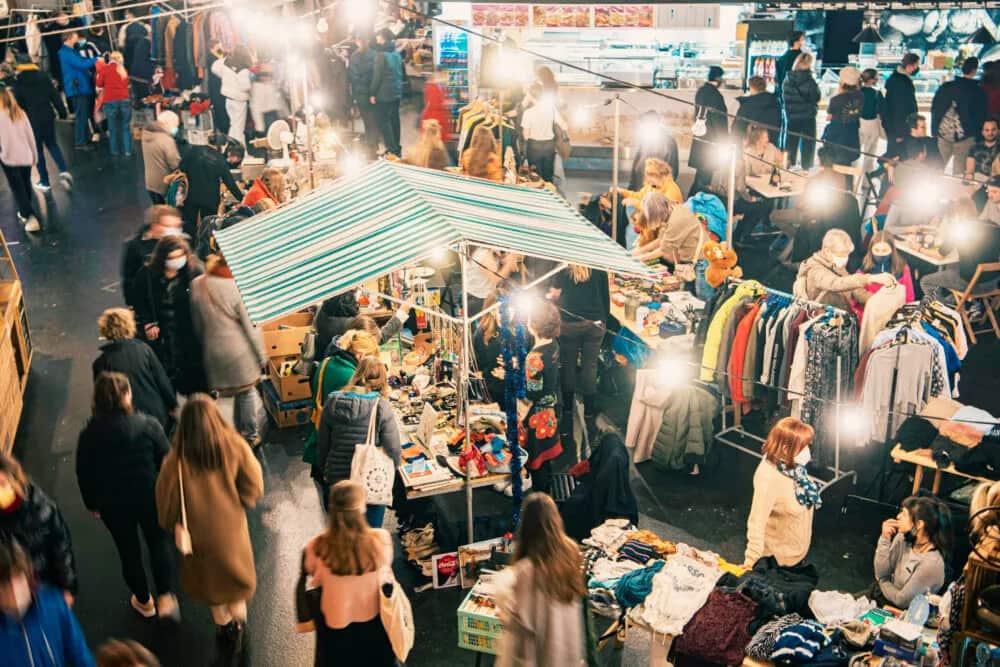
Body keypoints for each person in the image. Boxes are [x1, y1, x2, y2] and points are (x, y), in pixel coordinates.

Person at [155, 395, 263, 647]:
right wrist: (242, 501)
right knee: (235, 584)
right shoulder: (233, 446)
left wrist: (172, 524)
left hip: (198, 538)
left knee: (213, 591)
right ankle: (240, 624)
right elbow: (254, 483)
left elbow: (165, 505)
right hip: (231, 532)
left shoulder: (175, 462)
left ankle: (225, 629)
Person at [76, 372, 179, 620]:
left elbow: (84, 473)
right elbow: (167, 460)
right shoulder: (148, 425)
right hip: (149, 495)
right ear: (127, 395)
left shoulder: (89, 435)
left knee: (128, 551)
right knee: (157, 542)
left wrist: (92, 504)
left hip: (113, 504)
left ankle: (144, 602)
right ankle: (165, 597)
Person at [302, 480, 396, 666]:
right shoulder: (380, 540)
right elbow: (386, 565)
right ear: (361, 508)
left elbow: (311, 571)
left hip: (335, 622)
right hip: (373, 620)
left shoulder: (314, 546)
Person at [495, 493, 585, 667]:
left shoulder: (526, 570)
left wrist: (505, 612)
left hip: (541, 656)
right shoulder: (571, 552)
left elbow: (523, 623)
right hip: (569, 652)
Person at [190, 255, 267, 446]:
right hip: (238, 352)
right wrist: (262, 355)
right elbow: (252, 328)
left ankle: (233, 434)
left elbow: (197, 324)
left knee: (232, 394)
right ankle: (249, 436)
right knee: (246, 392)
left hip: (212, 350)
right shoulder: (236, 288)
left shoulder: (198, 284)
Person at [316, 358, 401, 527]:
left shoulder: (332, 401)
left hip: (339, 481)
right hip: (368, 480)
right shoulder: (381, 406)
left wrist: (326, 472)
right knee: (370, 533)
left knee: (342, 532)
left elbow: (323, 445)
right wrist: (395, 467)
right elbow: (393, 448)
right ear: (382, 381)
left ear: (357, 374)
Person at [494, 301, 562, 493]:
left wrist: (507, 375)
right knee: (545, 461)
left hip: (535, 417)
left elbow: (530, 390)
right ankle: (545, 494)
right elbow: (540, 375)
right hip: (549, 412)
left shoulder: (535, 357)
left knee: (536, 462)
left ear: (534, 325)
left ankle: (541, 500)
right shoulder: (553, 346)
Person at [0, 540, 94, 667]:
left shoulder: (53, 603)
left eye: (18, 578)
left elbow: (79, 651)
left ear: (28, 575)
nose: (13, 592)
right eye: (5, 586)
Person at [132, 237, 206, 395]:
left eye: (180, 256)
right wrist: (148, 322)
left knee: (193, 380)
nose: (177, 261)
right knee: (164, 378)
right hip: (163, 335)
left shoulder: (194, 271)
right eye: (172, 258)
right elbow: (138, 299)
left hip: (188, 333)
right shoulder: (147, 275)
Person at [0, 454, 77, 603]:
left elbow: (61, 547)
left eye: (2, 483)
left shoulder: (40, 508)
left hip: (47, 586)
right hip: (14, 598)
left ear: (14, 479)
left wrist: (67, 587)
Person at [744, 417, 818, 567]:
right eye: (803, 447)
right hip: (776, 563)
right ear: (785, 449)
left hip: (794, 558)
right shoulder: (769, 477)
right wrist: (751, 564)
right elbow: (756, 523)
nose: (807, 451)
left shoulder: (794, 469)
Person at [549, 264, 609, 444]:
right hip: (595, 323)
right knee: (590, 366)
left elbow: (555, 294)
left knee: (568, 365)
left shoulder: (564, 268)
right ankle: (589, 410)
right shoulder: (599, 267)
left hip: (569, 324)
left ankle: (567, 409)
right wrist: (604, 320)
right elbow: (605, 298)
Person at [92, 307, 178, 429]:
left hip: (126, 422)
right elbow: (161, 380)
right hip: (156, 416)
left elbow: (102, 399)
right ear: (129, 326)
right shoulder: (144, 349)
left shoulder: (101, 363)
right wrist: (172, 405)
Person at [921, 191, 1000, 301]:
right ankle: (953, 304)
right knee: (952, 266)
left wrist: (919, 248)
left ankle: (941, 310)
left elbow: (939, 255)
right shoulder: (994, 226)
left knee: (926, 281)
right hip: (993, 282)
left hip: (973, 285)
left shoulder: (960, 228)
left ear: (957, 213)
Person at [874, 495, 952, 607]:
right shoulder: (903, 538)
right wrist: (885, 539)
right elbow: (881, 572)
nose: (898, 516)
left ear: (919, 524)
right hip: (883, 597)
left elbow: (902, 600)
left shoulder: (931, 563)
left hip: (906, 614)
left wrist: (883, 581)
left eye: (904, 514)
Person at [12, 52, 71, 194]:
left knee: (37, 151)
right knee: (52, 144)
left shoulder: (18, 82)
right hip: (47, 115)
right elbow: (54, 95)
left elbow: (19, 105)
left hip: (31, 120)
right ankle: (63, 171)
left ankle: (44, 181)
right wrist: (62, 111)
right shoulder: (43, 76)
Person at [794, 229, 895, 310]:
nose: (845, 258)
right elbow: (836, 283)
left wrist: (877, 300)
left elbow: (853, 290)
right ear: (827, 251)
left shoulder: (835, 265)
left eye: (847, 254)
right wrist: (869, 279)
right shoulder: (815, 270)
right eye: (842, 254)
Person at [120, 205, 184, 309]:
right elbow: (129, 282)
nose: (175, 230)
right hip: (153, 307)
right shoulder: (136, 247)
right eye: (168, 226)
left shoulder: (182, 241)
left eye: (177, 226)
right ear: (155, 226)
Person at [178, 132, 243, 232]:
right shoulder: (219, 158)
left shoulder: (192, 151)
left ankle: (190, 244)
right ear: (223, 146)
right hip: (210, 199)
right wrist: (242, 198)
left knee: (189, 226)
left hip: (191, 195)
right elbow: (229, 182)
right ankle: (204, 245)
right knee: (207, 227)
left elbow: (181, 168)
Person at [931, 57, 986, 175]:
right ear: (975, 70)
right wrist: (979, 137)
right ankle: (956, 192)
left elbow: (935, 109)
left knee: (936, 168)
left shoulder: (946, 87)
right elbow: (980, 116)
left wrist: (934, 130)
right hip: (966, 136)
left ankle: (930, 190)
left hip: (943, 134)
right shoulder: (978, 91)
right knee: (960, 172)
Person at [0, 85, 41, 232]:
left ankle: (30, 216)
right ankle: (26, 212)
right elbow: (31, 136)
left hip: (9, 159)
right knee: (25, 185)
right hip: (25, 156)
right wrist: (35, 156)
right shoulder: (20, 113)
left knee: (17, 188)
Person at [852, 231, 915, 319]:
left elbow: (909, 297)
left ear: (892, 250)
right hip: (871, 315)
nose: (880, 254)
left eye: (885, 250)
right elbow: (856, 300)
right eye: (876, 250)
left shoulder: (902, 268)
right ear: (871, 250)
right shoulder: (863, 270)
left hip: (895, 315)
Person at [688, 66, 729, 197]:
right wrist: (724, 140)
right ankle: (693, 201)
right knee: (705, 177)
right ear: (718, 78)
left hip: (701, 140)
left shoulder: (701, 91)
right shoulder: (715, 95)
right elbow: (719, 121)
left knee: (701, 173)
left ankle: (692, 200)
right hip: (711, 142)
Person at [520, 82, 567, 183]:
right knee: (548, 176)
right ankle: (549, 194)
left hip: (534, 147)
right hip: (549, 146)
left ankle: (538, 196)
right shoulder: (551, 109)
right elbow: (563, 125)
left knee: (536, 176)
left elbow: (526, 135)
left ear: (531, 96)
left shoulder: (528, 113)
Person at [58, 31, 97, 150]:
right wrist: (97, 59)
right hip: (78, 88)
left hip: (80, 87)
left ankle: (85, 139)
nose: (78, 40)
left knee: (83, 114)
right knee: (81, 116)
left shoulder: (70, 51)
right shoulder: (65, 53)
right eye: (75, 38)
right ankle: (80, 142)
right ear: (69, 39)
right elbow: (81, 64)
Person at [782, 53, 821, 170]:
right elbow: (817, 97)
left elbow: (785, 97)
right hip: (807, 116)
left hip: (792, 116)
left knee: (790, 143)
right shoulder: (810, 81)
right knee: (808, 145)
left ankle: (788, 166)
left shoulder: (787, 79)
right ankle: (806, 169)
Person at [824, 66, 864, 174]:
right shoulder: (861, 96)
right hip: (852, 138)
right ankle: (849, 189)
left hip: (836, 138)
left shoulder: (836, 100)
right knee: (847, 169)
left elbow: (830, 114)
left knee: (835, 169)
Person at [627, 111, 679, 192]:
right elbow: (636, 165)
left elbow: (672, 169)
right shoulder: (645, 140)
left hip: (655, 192)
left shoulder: (668, 142)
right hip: (639, 187)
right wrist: (631, 186)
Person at [370, 29, 404, 157]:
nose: (377, 39)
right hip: (396, 92)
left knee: (383, 121)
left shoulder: (381, 55)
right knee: (395, 119)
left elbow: (377, 76)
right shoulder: (396, 54)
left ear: (382, 37)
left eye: (378, 36)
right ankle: (397, 147)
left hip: (384, 94)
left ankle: (392, 149)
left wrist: (372, 93)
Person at [211, 46, 252, 145]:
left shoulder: (226, 63)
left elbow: (214, 68)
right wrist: (252, 81)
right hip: (239, 101)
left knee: (234, 126)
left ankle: (232, 149)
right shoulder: (243, 69)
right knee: (238, 128)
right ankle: (240, 152)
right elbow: (245, 86)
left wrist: (224, 58)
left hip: (228, 99)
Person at [96, 51, 132, 158]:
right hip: (124, 100)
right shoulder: (123, 70)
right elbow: (126, 84)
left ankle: (115, 151)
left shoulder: (105, 69)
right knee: (125, 127)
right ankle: (128, 151)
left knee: (112, 127)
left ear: (110, 58)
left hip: (110, 100)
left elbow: (99, 84)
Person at [465, 247, 521, 315]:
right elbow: (496, 278)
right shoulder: (482, 254)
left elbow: (510, 269)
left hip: (485, 296)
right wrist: (509, 262)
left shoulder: (491, 251)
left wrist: (505, 259)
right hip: (478, 299)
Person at [141, 110, 181, 205]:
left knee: (158, 213)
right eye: (175, 125)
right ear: (168, 124)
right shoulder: (166, 140)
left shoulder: (147, 134)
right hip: (164, 185)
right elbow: (174, 163)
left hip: (150, 182)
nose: (176, 128)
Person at [349, 35, 379, 157]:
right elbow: (377, 74)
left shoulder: (354, 57)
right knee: (373, 118)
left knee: (367, 119)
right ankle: (374, 143)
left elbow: (352, 76)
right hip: (373, 92)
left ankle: (371, 143)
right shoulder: (375, 55)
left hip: (361, 92)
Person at [884, 53, 920, 149]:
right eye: (916, 65)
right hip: (900, 125)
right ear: (910, 65)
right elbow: (900, 108)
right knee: (897, 152)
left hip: (898, 124)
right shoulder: (901, 82)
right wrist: (899, 132)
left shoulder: (898, 78)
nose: (917, 68)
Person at [618, 157, 683, 208]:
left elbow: (660, 211)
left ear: (662, 175)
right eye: (647, 174)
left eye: (652, 175)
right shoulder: (653, 186)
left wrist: (636, 203)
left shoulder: (671, 190)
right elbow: (640, 196)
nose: (648, 178)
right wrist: (622, 192)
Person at [734, 75, 781, 140]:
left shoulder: (747, 104)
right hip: (769, 143)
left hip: (750, 143)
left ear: (751, 87)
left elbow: (738, 127)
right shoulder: (775, 102)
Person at [859, 68, 886, 175]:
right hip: (872, 124)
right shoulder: (876, 93)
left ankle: (853, 176)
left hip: (859, 124)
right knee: (870, 153)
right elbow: (882, 110)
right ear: (871, 80)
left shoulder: (857, 92)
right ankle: (867, 179)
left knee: (855, 152)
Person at [420, 69, 453, 143]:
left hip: (439, 117)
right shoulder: (431, 87)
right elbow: (434, 104)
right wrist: (447, 103)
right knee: (434, 140)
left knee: (437, 140)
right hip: (435, 117)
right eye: (443, 74)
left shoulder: (440, 86)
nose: (445, 77)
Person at [775, 30, 804, 97]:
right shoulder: (801, 58)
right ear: (796, 42)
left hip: (785, 95)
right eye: (802, 40)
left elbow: (778, 79)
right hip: (797, 95)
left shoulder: (783, 58)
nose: (804, 42)